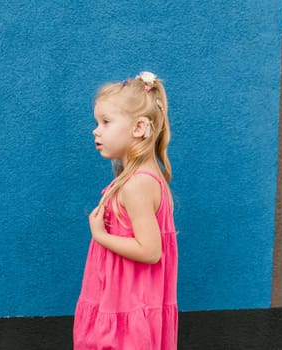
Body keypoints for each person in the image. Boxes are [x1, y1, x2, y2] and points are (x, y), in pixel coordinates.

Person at [74, 71, 178, 350]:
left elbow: (150, 250)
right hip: (122, 302)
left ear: (139, 127)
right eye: (97, 122)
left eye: (106, 122)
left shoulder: (137, 184)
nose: (96, 130)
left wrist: (101, 236)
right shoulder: (139, 178)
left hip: (128, 308)